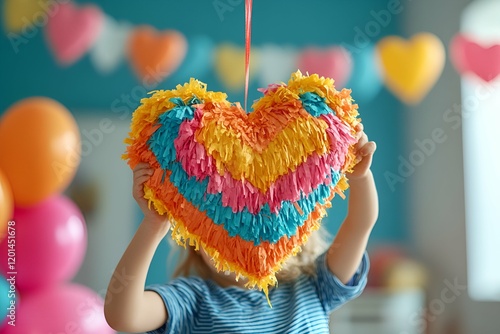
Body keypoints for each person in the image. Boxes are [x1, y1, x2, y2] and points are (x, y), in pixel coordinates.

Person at [104, 124, 378, 334]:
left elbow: (360, 224)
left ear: (290, 236)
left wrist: (360, 176)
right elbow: (122, 315)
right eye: (223, 231)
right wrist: (153, 225)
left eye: (259, 231)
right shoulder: (192, 299)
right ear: (196, 244)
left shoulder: (314, 287)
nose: (242, 242)